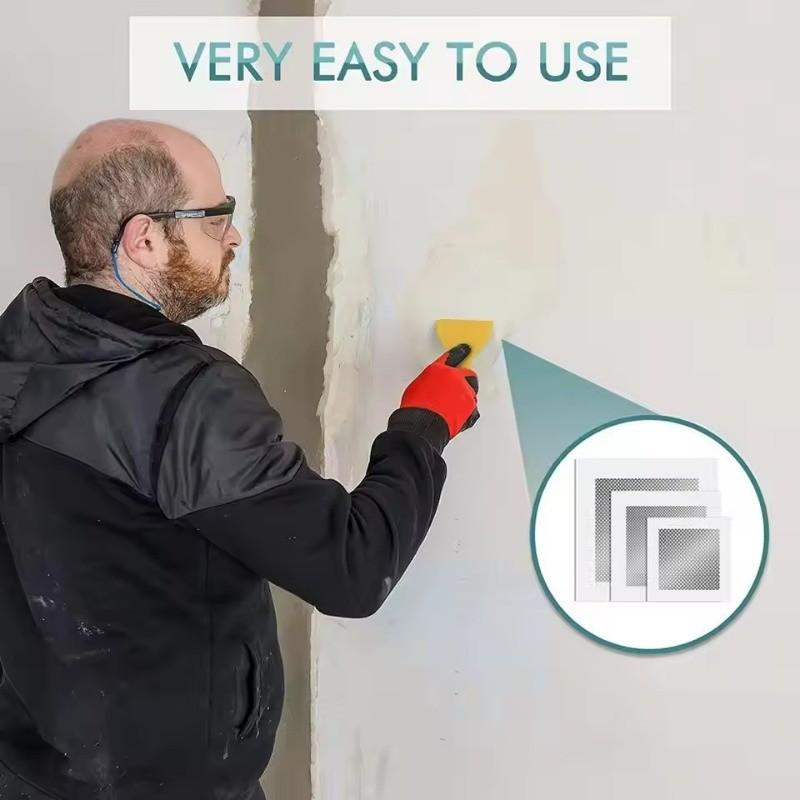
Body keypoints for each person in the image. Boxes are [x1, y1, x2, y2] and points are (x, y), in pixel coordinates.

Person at [0, 120, 480, 800]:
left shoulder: (18, 355)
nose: (232, 237)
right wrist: (424, 427)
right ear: (143, 239)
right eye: (214, 217)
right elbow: (351, 569)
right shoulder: (184, 399)